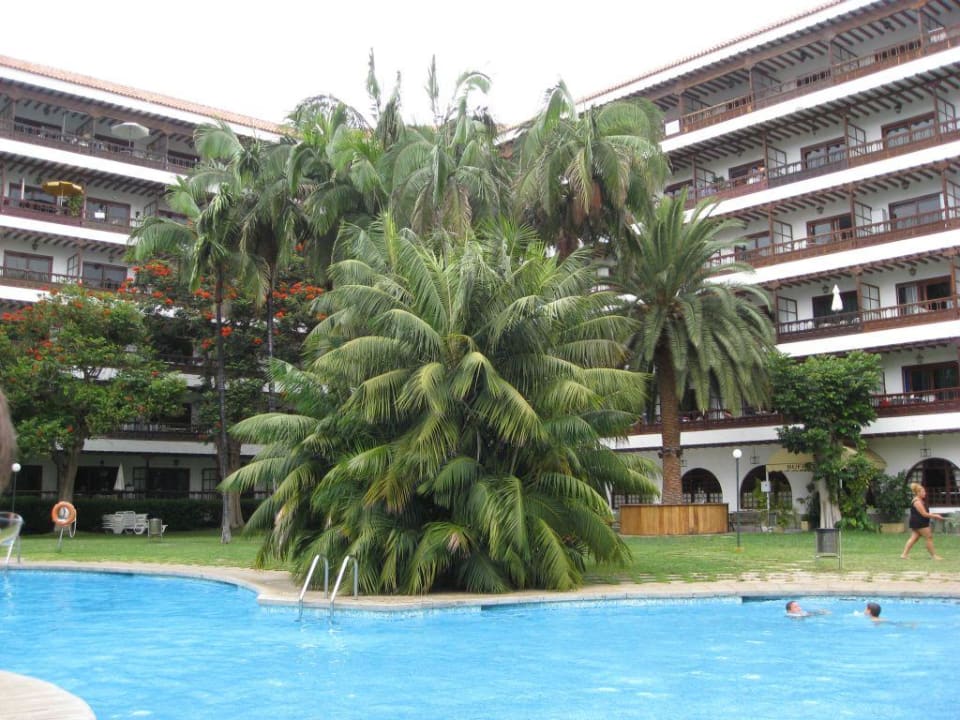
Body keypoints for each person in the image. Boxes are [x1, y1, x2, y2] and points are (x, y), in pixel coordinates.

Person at [901, 483, 944, 560]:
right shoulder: (917, 502)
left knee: (914, 538)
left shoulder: (920, 500)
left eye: (924, 491)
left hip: (918, 522)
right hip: (920, 522)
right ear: (918, 493)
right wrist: (935, 516)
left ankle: (904, 555)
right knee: (929, 537)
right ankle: (934, 556)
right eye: (923, 492)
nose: (925, 493)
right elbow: (924, 514)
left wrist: (935, 514)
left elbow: (924, 512)